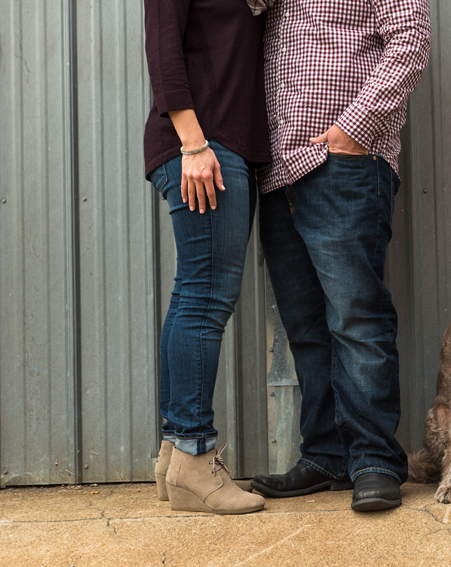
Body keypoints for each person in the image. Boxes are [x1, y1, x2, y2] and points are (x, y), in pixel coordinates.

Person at [250, 0, 431, 512]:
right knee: (306, 328)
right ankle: (326, 455)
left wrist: (354, 129)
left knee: (357, 318)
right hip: (280, 169)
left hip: (344, 164)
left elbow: (410, 40)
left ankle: (374, 460)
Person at [143, 0, 271, 515]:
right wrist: (193, 144)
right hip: (202, 146)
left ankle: (174, 455)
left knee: (192, 295)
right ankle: (196, 456)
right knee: (205, 300)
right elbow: (162, 46)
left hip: (221, 143)